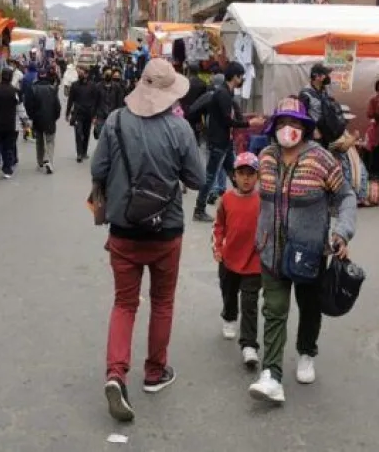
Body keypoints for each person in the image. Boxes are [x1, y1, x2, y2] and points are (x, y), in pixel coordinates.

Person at [91, 58, 205, 422]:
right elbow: (198, 178)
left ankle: (115, 373)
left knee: (125, 303)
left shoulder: (115, 122)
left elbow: (98, 170)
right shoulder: (180, 129)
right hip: (166, 230)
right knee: (162, 302)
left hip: (123, 229)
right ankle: (155, 372)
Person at [249, 96, 357, 404]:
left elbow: (346, 197)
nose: (288, 129)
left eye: (294, 123)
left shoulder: (321, 159)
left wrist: (341, 232)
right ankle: (271, 374)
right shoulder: (266, 157)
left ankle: (307, 351)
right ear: (274, 127)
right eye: (282, 123)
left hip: (309, 253)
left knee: (309, 307)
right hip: (271, 250)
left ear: (305, 127)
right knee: (273, 310)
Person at [212, 151, 263, 368]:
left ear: (258, 177)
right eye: (242, 173)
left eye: (251, 174)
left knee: (250, 303)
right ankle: (229, 316)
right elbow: (219, 225)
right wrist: (218, 246)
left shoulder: (263, 201)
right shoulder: (226, 199)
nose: (246, 178)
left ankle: (249, 345)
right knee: (229, 292)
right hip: (229, 259)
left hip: (254, 262)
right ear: (234, 175)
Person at [193, 62, 261, 223]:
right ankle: (199, 209)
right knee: (210, 177)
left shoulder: (227, 93)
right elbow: (227, 121)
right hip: (218, 141)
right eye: (241, 76)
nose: (243, 79)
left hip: (225, 142)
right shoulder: (223, 94)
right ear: (235, 76)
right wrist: (249, 124)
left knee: (234, 172)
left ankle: (244, 203)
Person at [299, 63, 347, 149]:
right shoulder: (305, 94)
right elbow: (302, 115)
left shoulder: (324, 90)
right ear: (316, 76)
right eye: (325, 74)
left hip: (325, 131)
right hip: (314, 134)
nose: (327, 77)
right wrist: (313, 129)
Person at [25, 67, 61, 174]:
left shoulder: (33, 88)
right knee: (50, 141)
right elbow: (57, 106)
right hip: (50, 119)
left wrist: (32, 116)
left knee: (39, 141)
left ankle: (40, 161)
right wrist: (55, 117)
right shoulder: (52, 88)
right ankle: (48, 160)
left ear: (38, 77)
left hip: (38, 119)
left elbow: (28, 105)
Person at [66, 65, 101, 162]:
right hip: (77, 114)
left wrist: (95, 115)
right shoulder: (74, 85)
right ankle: (79, 154)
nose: (79, 74)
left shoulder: (92, 86)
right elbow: (70, 100)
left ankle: (84, 151)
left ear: (86, 74)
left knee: (86, 133)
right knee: (78, 133)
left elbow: (96, 101)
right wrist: (67, 113)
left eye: (81, 72)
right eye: (78, 72)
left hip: (88, 114)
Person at [94, 67, 126, 139]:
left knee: (112, 138)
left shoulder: (117, 87)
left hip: (112, 116)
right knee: (101, 138)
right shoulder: (98, 87)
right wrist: (94, 117)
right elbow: (95, 102)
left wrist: (119, 116)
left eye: (109, 74)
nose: (108, 75)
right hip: (101, 117)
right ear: (103, 75)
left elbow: (119, 103)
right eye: (106, 74)